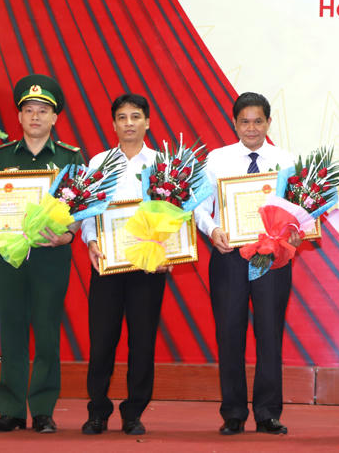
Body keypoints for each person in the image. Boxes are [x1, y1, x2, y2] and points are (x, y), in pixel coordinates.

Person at [194, 92, 299, 435]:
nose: (251, 128)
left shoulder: (285, 161)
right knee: (229, 333)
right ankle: (233, 412)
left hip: (271, 257)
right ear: (234, 123)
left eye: (258, 121)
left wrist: (296, 231)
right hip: (229, 256)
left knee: (269, 333)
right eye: (244, 122)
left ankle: (268, 412)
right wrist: (212, 230)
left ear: (269, 123)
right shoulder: (217, 159)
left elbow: (299, 209)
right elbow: (199, 206)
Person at [0, 74, 84, 433]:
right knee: (11, 331)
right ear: (19, 116)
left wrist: (68, 236)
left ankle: (43, 409)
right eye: (29, 110)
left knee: (46, 333)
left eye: (43, 110)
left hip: (50, 257)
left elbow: (83, 207)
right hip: (8, 258)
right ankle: (11, 410)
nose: (35, 116)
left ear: (55, 117)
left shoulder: (70, 158)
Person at [79, 94, 170, 436]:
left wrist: (171, 251)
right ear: (114, 123)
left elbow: (178, 212)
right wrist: (91, 240)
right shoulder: (99, 162)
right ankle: (97, 411)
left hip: (149, 266)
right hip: (107, 262)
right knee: (102, 340)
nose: (129, 123)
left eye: (135, 116)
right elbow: (88, 211)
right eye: (122, 117)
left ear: (148, 121)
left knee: (143, 341)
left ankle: (134, 412)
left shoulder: (163, 164)